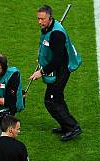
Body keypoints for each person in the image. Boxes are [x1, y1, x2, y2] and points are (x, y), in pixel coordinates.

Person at [29, 4, 83, 141]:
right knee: (56, 98)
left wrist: (41, 72)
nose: (40, 22)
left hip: (61, 69)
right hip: (58, 67)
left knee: (51, 100)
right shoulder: (49, 28)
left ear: (50, 18)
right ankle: (66, 125)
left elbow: (58, 59)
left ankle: (73, 127)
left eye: (42, 19)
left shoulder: (57, 34)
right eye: (38, 19)